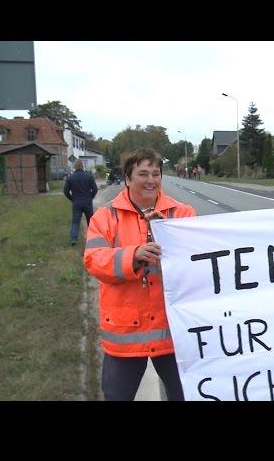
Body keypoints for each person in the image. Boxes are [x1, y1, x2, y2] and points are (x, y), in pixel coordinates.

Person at [84, 148, 196, 401]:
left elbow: (196, 260)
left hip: (172, 330)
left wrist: (167, 233)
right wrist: (133, 255)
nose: (151, 180)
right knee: (117, 397)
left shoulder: (182, 214)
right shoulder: (105, 216)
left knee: (186, 396)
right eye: (143, 174)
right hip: (125, 333)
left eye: (156, 174)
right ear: (127, 178)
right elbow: (94, 260)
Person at [63, 159, 98, 246]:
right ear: (82, 165)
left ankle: (73, 239)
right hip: (87, 202)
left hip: (76, 202)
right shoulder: (89, 176)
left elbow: (65, 191)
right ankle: (93, 239)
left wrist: (72, 199)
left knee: (75, 222)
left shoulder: (70, 178)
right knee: (90, 221)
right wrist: (91, 197)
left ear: (75, 166)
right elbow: (95, 189)